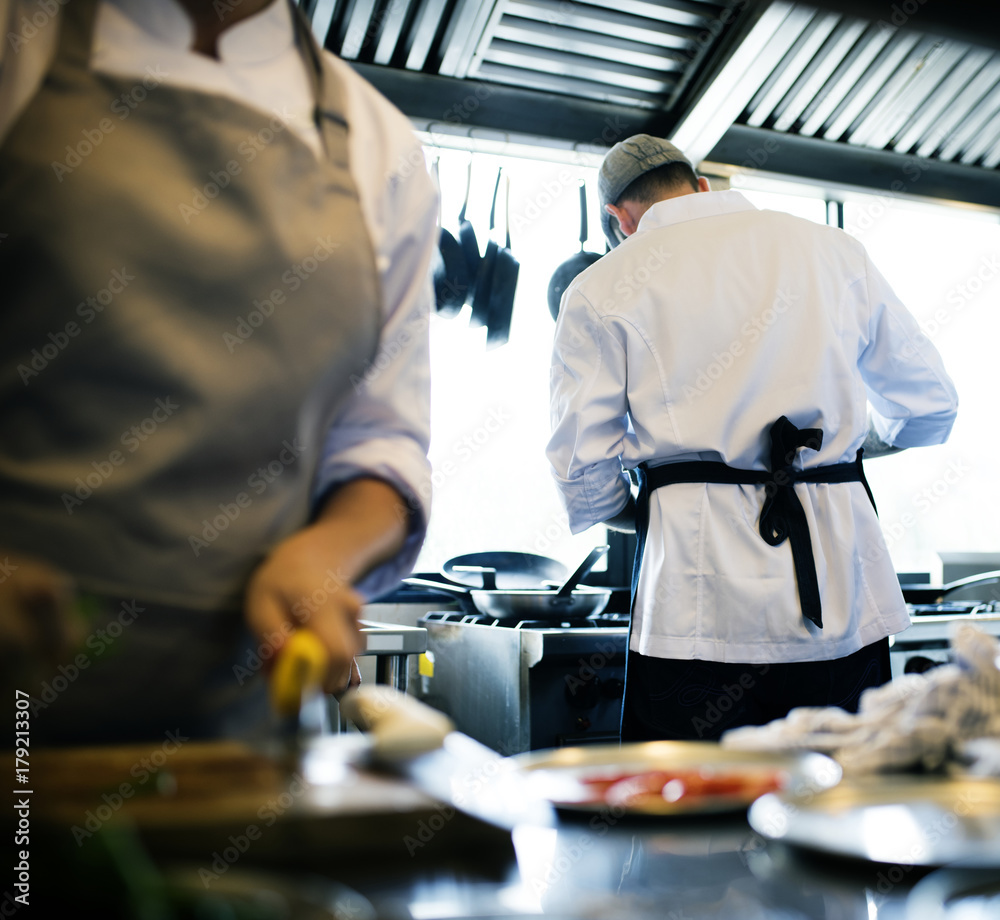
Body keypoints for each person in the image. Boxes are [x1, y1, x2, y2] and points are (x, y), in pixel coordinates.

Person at [0, 0, 436, 744]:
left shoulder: (380, 144)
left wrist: (326, 553)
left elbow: (379, 443)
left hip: (241, 729)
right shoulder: (19, 46)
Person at [547, 134, 959, 742]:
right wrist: (837, 453)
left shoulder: (601, 285)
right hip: (843, 596)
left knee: (689, 819)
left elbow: (581, 469)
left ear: (618, 219)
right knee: (843, 803)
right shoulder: (834, 250)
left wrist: (648, 511)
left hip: (693, 606)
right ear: (701, 184)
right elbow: (930, 405)